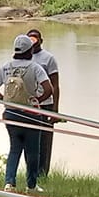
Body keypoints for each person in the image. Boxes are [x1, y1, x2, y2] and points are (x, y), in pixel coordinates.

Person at [0, 34, 55, 192]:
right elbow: (49, 89)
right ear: (30, 50)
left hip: (11, 113)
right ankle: (31, 185)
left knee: (14, 149)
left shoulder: (6, 67)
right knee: (33, 151)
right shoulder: (34, 67)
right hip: (30, 114)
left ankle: (9, 182)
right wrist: (37, 101)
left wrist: (5, 101)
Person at [25, 28, 62, 171]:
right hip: (28, 105)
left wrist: (55, 110)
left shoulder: (48, 58)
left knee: (45, 141)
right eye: (30, 39)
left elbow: (55, 85)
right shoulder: (23, 57)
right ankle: (31, 170)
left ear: (41, 41)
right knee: (28, 139)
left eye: (35, 38)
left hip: (46, 104)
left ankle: (43, 172)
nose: (33, 41)